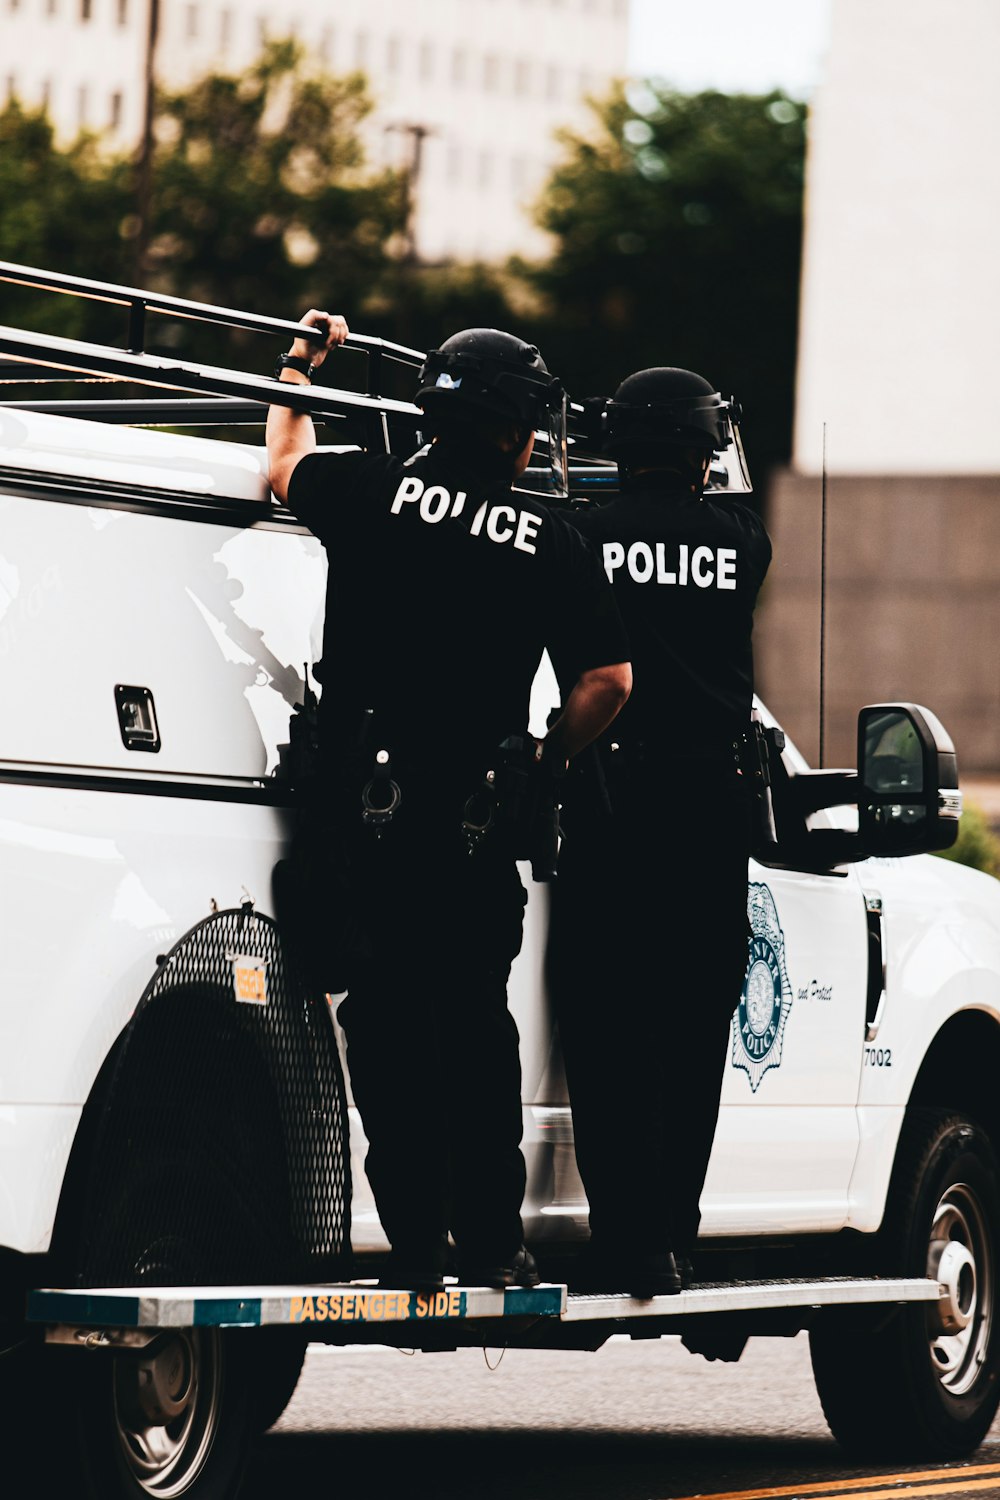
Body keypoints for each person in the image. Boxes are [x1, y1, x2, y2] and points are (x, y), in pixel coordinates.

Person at [266, 311, 632, 1292]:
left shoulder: (369, 489)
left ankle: (417, 1246)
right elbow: (610, 683)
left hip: (363, 822)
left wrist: (303, 360)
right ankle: (492, 1242)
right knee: (473, 1031)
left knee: (383, 1030)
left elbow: (283, 455)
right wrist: (547, 757)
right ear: (517, 431)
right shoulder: (550, 538)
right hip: (475, 827)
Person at [548, 366, 772, 1298]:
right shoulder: (744, 542)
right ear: (705, 448)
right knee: (690, 1027)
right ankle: (674, 1234)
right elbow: (733, 502)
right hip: (714, 812)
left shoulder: (582, 535)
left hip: (615, 804)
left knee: (608, 1025)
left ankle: (628, 1238)